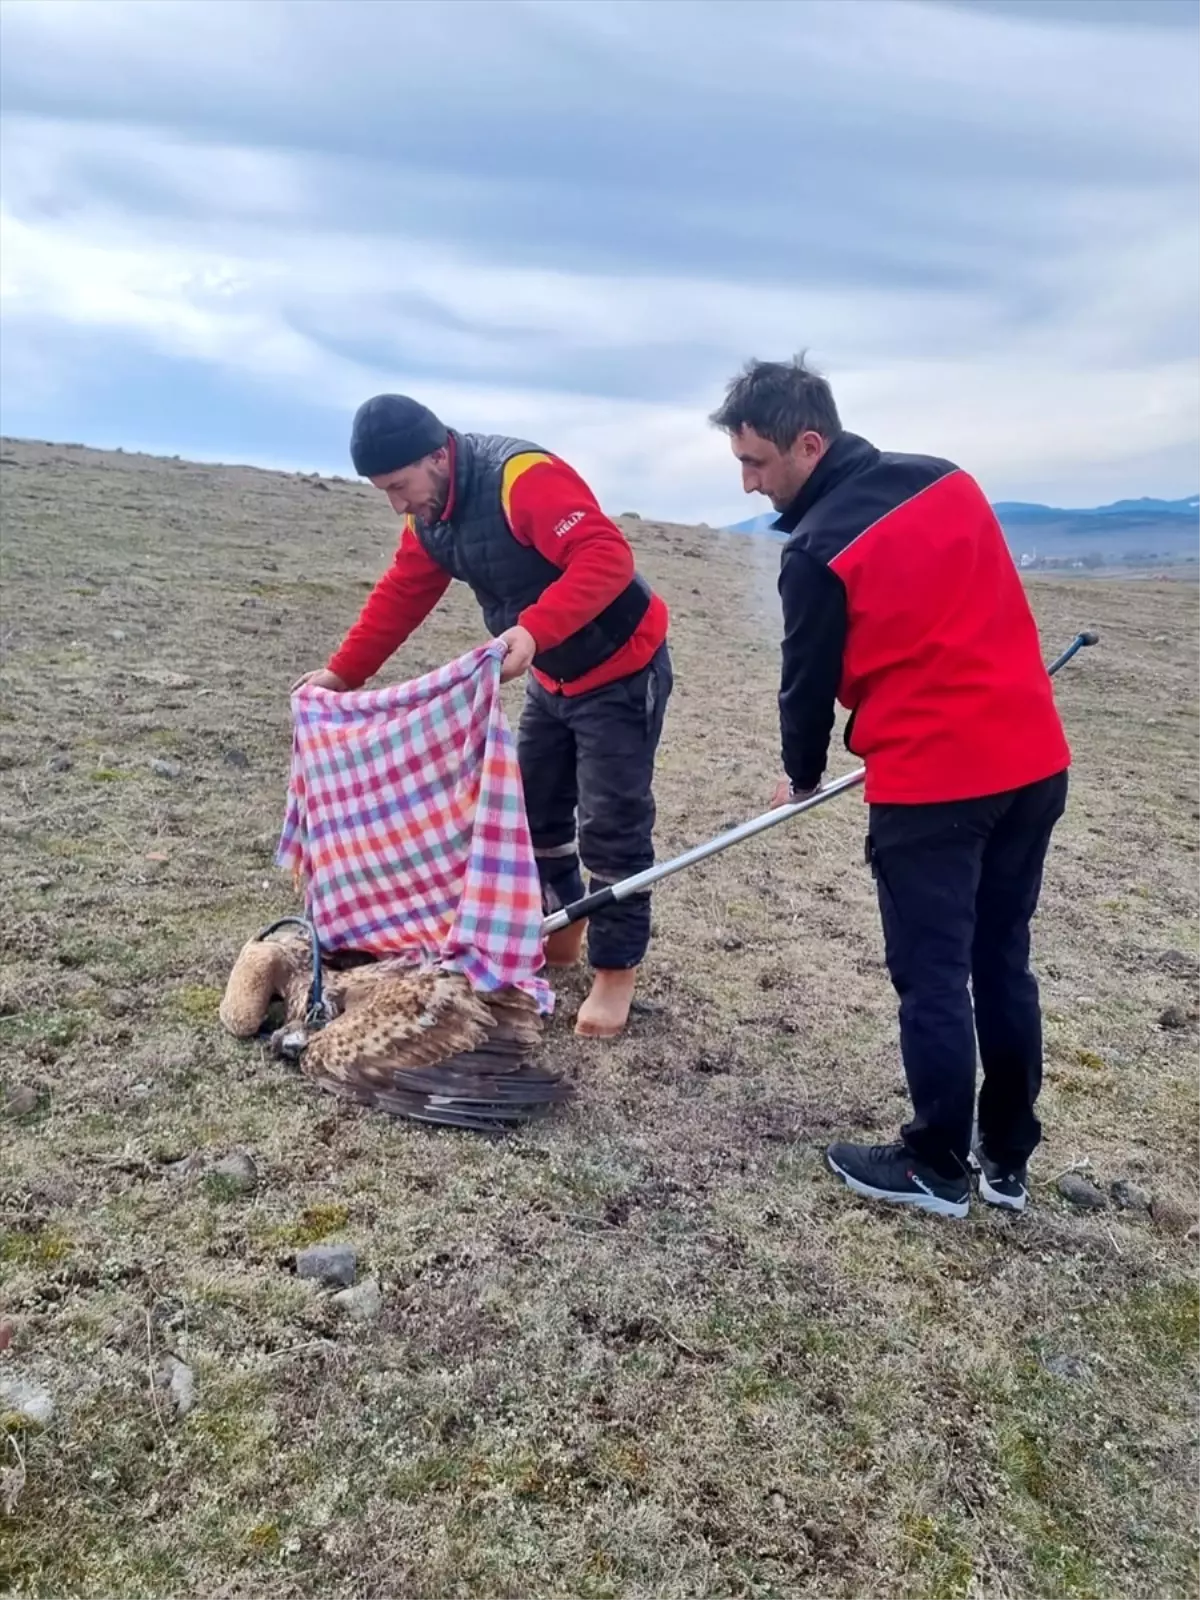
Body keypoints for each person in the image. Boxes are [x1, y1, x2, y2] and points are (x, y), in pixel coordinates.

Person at [709, 355, 1071, 1218]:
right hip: (1034, 762)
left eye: (758, 463)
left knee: (934, 972)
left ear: (809, 442)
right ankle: (1007, 1159)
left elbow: (807, 679)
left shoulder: (817, 549)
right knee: (1002, 958)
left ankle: (937, 1163)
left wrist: (800, 775)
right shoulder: (949, 481)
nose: (752, 484)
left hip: (936, 790)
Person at [293, 394, 672, 1038]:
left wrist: (535, 630)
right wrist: (343, 674)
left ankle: (616, 973)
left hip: (621, 671)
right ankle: (561, 931)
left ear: (437, 456)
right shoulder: (430, 519)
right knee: (536, 817)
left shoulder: (523, 479)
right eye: (383, 491)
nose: (397, 504)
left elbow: (607, 557)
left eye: (400, 486)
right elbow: (402, 593)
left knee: (612, 822)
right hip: (552, 676)